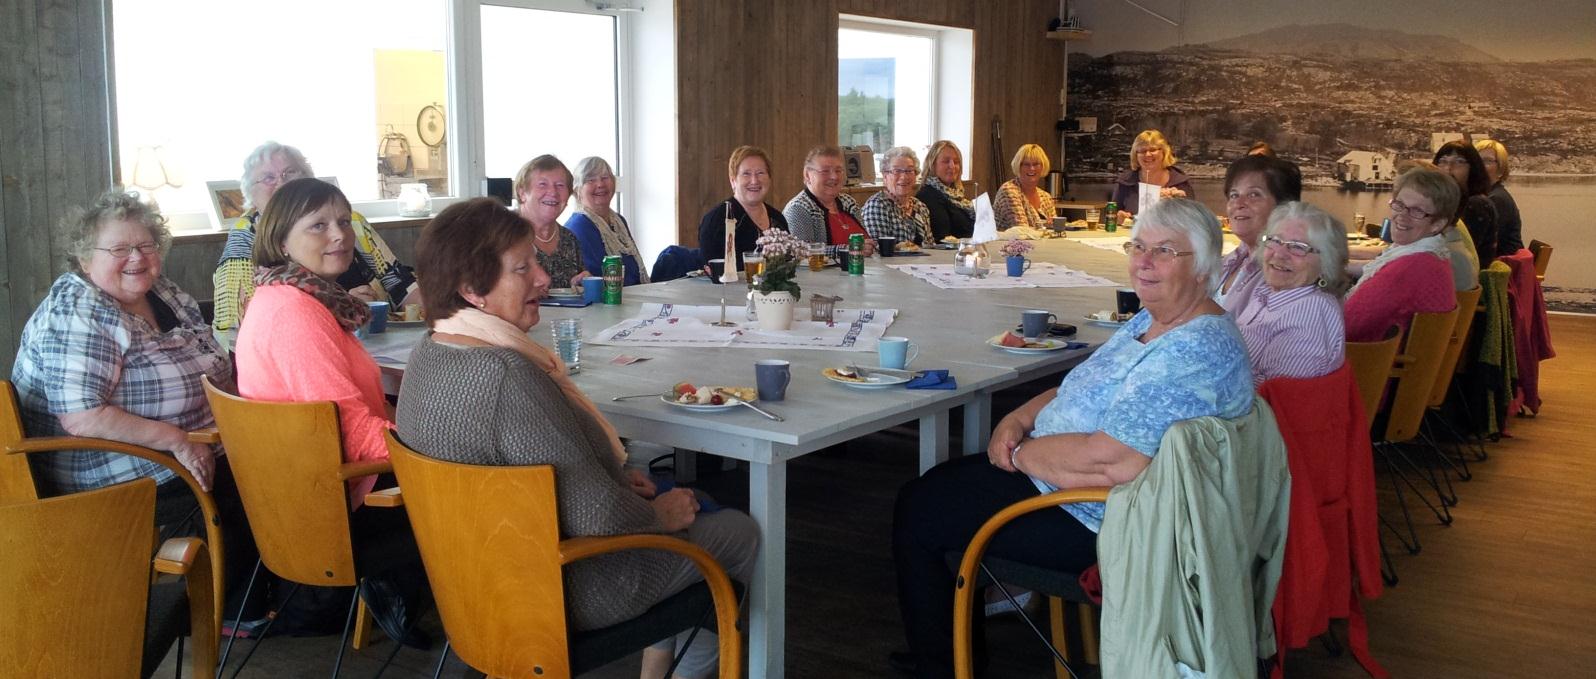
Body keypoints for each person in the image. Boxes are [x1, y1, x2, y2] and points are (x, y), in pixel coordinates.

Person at [396, 198, 759, 679]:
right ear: (471, 290)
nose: (543, 279)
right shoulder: (507, 373)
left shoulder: (428, 353)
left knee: (692, 507)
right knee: (739, 534)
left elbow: (531, 477)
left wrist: (619, 484)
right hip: (565, 586)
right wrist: (654, 515)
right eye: (522, 269)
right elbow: (597, 514)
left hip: (472, 583)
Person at [891, 199, 1253, 677]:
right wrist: (1019, 417)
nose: (1144, 261)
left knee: (921, 508)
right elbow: (1081, 384)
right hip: (1071, 486)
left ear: (1206, 268)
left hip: (1103, 521)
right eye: (1138, 246)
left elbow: (1116, 464)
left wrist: (1021, 453)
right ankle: (948, 652)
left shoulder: (1195, 350)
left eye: (1164, 251)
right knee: (937, 486)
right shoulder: (1154, 320)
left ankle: (942, 666)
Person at [232, 177, 430, 648]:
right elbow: (355, 434)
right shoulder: (295, 314)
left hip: (303, 492)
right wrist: (442, 446)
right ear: (281, 240)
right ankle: (497, 624)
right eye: (318, 225)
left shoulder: (289, 296)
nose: (340, 235)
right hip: (332, 507)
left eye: (344, 221)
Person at [212, 141, 415, 334]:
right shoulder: (245, 235)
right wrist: (342, 305)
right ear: (250, 193)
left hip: (382, 339)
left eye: (290, 172)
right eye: (268, 177)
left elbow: (402, 284)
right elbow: (240, 326)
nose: (282, 182)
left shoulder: (352, 221)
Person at [1235, 202, 1348, 384]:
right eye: (1275, 241)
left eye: (1298, 247)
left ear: (1326, 262)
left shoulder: (1309, 312)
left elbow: (1277, 396)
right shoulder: (1268, 293)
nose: (1279, 254)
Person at [1344, 166, 1459, 342]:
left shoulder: (1412, 267)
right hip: (1397, 362)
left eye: (1417, 211)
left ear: (1437, 224)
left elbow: (1346, 325)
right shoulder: (1430, 256)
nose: (1402, 216)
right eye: (1399, 205)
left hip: (1372, 366)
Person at [1216, 155, 1303, 315]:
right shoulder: (1234, 258)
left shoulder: (1284, 271)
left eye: (1253, 195)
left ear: (1284, 205)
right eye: (1234, 195)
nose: (1238, 203)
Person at [696, 145, 790, 271]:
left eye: (760, 173)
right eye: (746, 174)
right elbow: (715, 274)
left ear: (769, 178)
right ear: (733, 180)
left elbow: (788, 265)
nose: (754, 180)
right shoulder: (716, 221)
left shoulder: (777, 218)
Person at [566, 156, 649, 285]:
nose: (600, 184)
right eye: (591, 180)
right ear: (577, 191)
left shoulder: (619, 221)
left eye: (605, 178)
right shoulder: (578, 227)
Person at [783, 145, 876, 255]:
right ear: (807, 175)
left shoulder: (849, 202)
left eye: (838, 170)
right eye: (825, 171)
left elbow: (867, 243)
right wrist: (847, 250)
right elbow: (802, 251)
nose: (834, 177)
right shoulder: (798, 209)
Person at [515, 154, 588, 289]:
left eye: (560, 185)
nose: (553, 192)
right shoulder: (503, 235)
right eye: (542, 184)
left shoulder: (569, 240)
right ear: (522, 193)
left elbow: (578, 287)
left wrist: (585, 282)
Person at [1433, 140, 1498, 266]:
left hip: (1466, 279)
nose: (1448, 168)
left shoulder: (1476, 204)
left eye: (1459, 162)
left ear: (1473, 168)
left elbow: (1458, 253)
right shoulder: (1446, 203)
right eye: (1443, 161)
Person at [1111, 130, 1196, 220]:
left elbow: (1193, 221)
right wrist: (1118, 217)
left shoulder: (1181, 184)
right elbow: (1112, 215)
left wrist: (1177, 204)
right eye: (1142, 151)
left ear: (1164, 152)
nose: (1148, 154)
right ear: (1136, 155)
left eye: (1153, 150)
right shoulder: (1125, 182)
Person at [860, 146, 932, 246]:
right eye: (897, 171)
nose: (903, 177)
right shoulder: (877, 205)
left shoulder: (921, 207)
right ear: (885, 176)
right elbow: (880, 250)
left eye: (909, 171)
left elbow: (930, 246)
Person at [916, 140, 975, 241]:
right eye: (946, 161)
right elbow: (942, 238)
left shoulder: (956, 195)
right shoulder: (928, 196)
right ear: (932, 165)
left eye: (956, 162)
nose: (952, 166)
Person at [1474, 138, 1524, 254]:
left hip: (1502, 267)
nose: (1479, 166)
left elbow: (1479, 244)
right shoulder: (1484, 196)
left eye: (1487, 161)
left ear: (1500, 168)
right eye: (1476, 160)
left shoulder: (1496, 200)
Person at [991, 143, 1056, 231]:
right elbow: (1022, 230)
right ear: (1018, 166)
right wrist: (1047, 226)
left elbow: (1056, 229)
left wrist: (1052, 225)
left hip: (1039, 243)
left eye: (1036, 164)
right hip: (1008, 244)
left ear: (1043, 166)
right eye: (1026, 164)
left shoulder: (1046, 197)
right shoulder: (1009, 191)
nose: (1032, 168)